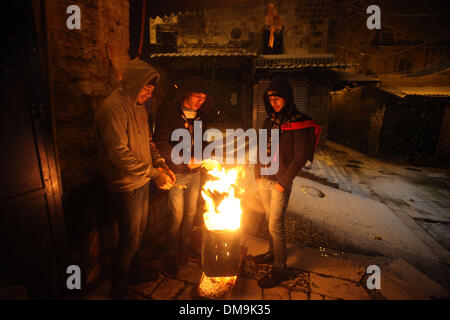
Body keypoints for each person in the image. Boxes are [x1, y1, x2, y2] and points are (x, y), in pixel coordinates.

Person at [95, 59, 175, 298]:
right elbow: (118, 154)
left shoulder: (139, 106)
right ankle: (118, 288)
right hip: (125, 185)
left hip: (141, 182)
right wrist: (155, 174)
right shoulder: (112, 109)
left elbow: (148, 142)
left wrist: (160, 163)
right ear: (132, 83)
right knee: (129, 238)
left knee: (138, 232)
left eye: (151, 91)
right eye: (145, 89)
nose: (148, 95)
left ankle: (134, 272)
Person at [254, 79, 320, 288]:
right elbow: (261, 146)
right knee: (268, 219)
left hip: (279, 182)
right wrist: (257, 172)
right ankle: (272, 253)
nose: (274, 103)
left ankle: (280, 268)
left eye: (278, 98)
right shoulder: (269, 120)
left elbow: (300, 157)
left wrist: (282, 182)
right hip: (263, 178)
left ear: (287, 98)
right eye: (270, 99)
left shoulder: (298, 122)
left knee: (276, 224)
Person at [154, 76, 213, 277]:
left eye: (204, 97)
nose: (200, 100)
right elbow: (160, 142)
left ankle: (185, 247)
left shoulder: (199, 117)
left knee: (190, 214)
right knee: (175, 217)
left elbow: (202, 142)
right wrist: (182, 160)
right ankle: (170, 255)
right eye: (197, 95)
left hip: (195, 173)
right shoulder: (169, 114)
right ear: (186, 93)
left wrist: (206, 156)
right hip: (176, 173)